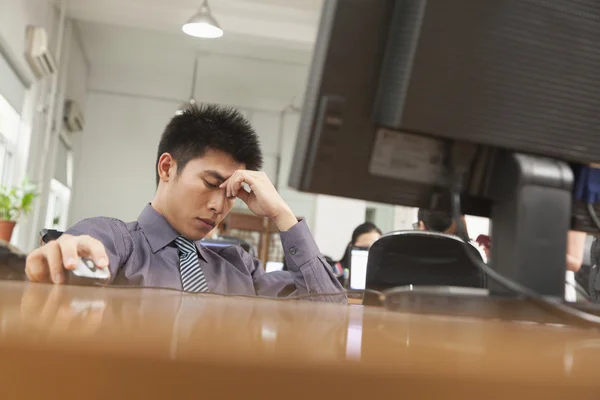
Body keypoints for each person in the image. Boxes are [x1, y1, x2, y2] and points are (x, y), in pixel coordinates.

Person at [25, 104, 345, 303]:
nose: (219, 206)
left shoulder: (240, 268)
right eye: (210, 183)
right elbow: (86, 248)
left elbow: (329, 311)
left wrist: (282, 214)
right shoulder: (119, 243)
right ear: (167, 168)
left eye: (231, 194)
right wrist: (72, 254)